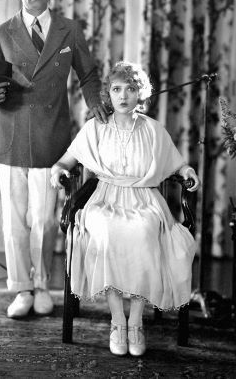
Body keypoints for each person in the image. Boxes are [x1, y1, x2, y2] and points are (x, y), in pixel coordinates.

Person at [0, 0, 108, 319]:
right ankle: (21, 288)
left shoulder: (69, 30)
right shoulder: (2, 32)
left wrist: (96, 103)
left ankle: (42, 286)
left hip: (53, 138)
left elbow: (89, 75)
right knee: (14, 219)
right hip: (11, 138)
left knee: (46, 219)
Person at [50, 61, 200, 356]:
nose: (123, 96)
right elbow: (67, 160)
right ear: (108, 94)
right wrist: (57, 170)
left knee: (144, 230)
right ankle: (118, 320)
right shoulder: (96, 127)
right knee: (106, 230)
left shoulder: (153, 129)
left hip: (143, 198)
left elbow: (177, 162)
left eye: (130, 89)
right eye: (116, 89)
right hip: (105, 197)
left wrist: (187, 171)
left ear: (140, 94)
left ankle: (136, 322)